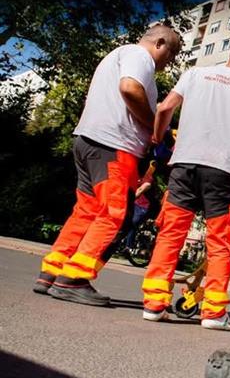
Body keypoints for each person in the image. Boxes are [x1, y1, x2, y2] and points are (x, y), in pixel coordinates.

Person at [36, 25, 182, 305]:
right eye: (171, 54)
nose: (170, 61)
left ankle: (53, 271)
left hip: (89, 141)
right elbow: (129, 88)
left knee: (86, 211)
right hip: (114, 147)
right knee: (115, 213)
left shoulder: (116, 56)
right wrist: (155, 128)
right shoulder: (140, 56)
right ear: (160, 43)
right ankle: (73, 279)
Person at [141, 37, 230, 330]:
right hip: (223, 172)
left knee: (171, 234)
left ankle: (154, 304)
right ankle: (213, 313)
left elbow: (164, 108)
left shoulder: (195, 74)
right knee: (220, 242)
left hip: (184, 164)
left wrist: (158, 138)